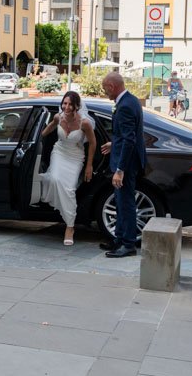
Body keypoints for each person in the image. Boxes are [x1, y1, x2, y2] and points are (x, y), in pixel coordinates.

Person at [99, 72, 146, 258]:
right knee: (120, 202)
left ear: (111, 86)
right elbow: (128, 134)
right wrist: (114, 143)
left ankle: (128, 244)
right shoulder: (132, 100)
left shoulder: (125, 105)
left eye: (105, 89)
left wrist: (120, 170)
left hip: (126, 164)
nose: (105, 93)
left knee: (126, 203)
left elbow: (129, 139)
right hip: (126, 157)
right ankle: (118, 239)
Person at [39, 91, 96, 246]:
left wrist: (89, 165)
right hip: (59, 152)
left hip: (75, 156)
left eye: (71, 104)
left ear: (77, 106)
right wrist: (36, 137)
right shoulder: (58, 117)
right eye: (64, 103)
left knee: (69, 189)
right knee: (55, 179)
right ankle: (65, 216)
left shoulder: (84, 123)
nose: (67, 107)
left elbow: (92, 143)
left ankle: (70, 227)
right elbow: (46, 131)